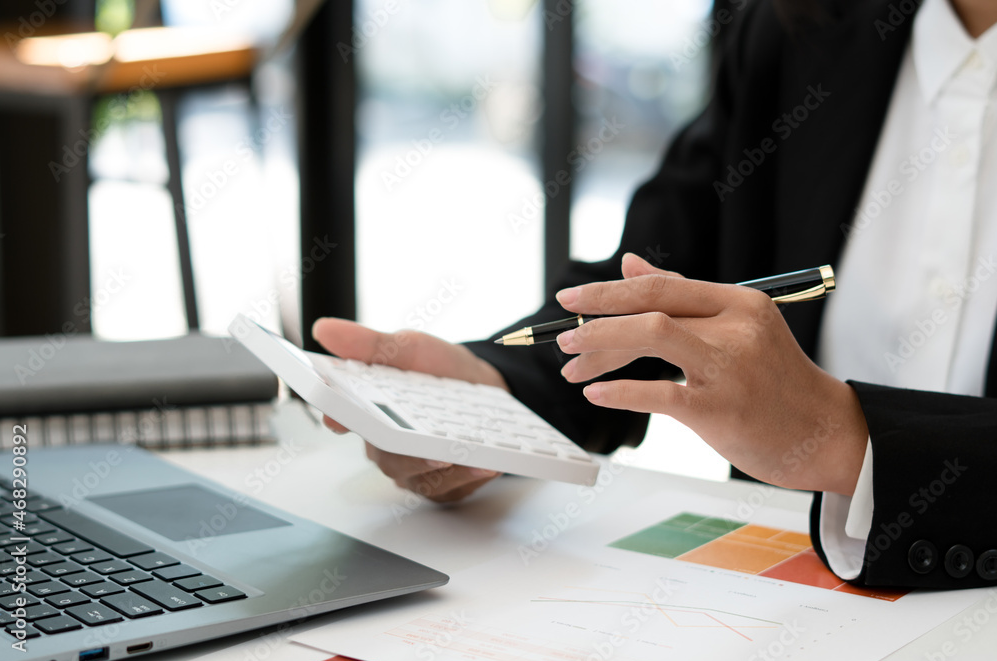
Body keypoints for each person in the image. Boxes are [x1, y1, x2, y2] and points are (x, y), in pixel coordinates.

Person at [314, 0, 997, 591]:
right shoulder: (798, 26)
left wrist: (849, 437)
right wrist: (493, 390)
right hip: (786, 609)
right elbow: (656, 282)